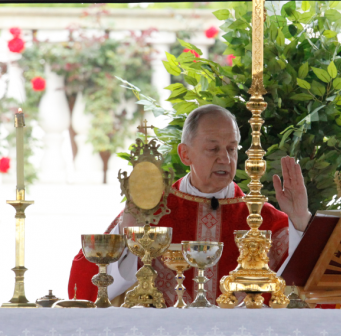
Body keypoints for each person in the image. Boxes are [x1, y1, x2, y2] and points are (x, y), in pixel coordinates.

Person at [68, 104, 312, 306]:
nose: (225, 159)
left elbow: (309, 287)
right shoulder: (151, 210)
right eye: (213, 148)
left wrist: (300, 220)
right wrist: (127, 233)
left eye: (231, 148)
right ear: (185, 154)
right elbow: (83, 285)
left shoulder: (261, 218)